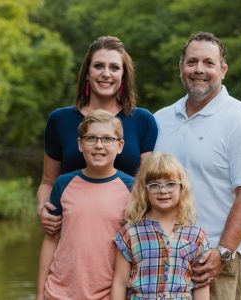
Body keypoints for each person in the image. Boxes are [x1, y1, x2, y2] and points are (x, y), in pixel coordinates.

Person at [154, 32, 241, 300]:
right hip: (161, 258)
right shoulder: (161, 119)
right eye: (192, 61)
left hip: (213, 261)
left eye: (208, 63)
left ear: (223, 70)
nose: (199, 70)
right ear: (181, 67)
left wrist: (223, 252)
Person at [36, 36, 157, 235]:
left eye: (114, 68)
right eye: (99, 66)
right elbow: (48, 182)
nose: (106, 74)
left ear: (124, 76)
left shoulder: (143, 120)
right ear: (87, 73)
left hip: (127, 235)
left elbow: (146, 184)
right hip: (72, 233)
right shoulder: (60, 120)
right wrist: (43, 209)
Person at [36, 109, 135, 300]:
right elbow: (51, 240)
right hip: (58, 293)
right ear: (80, 144)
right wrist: (40, 294)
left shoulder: (132, 188)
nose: (99, 145)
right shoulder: (63, 184)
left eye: (107, 139)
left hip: (108, 294)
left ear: (120, 145)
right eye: (91, 139)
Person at [110, 152, 210, 300]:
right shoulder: (130, 233)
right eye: (154, 185)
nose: (163, 191)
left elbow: (201, 286)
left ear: (182, 187)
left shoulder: (196, 235)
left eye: (170, 184)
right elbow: (120, 283)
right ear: (145, 190)